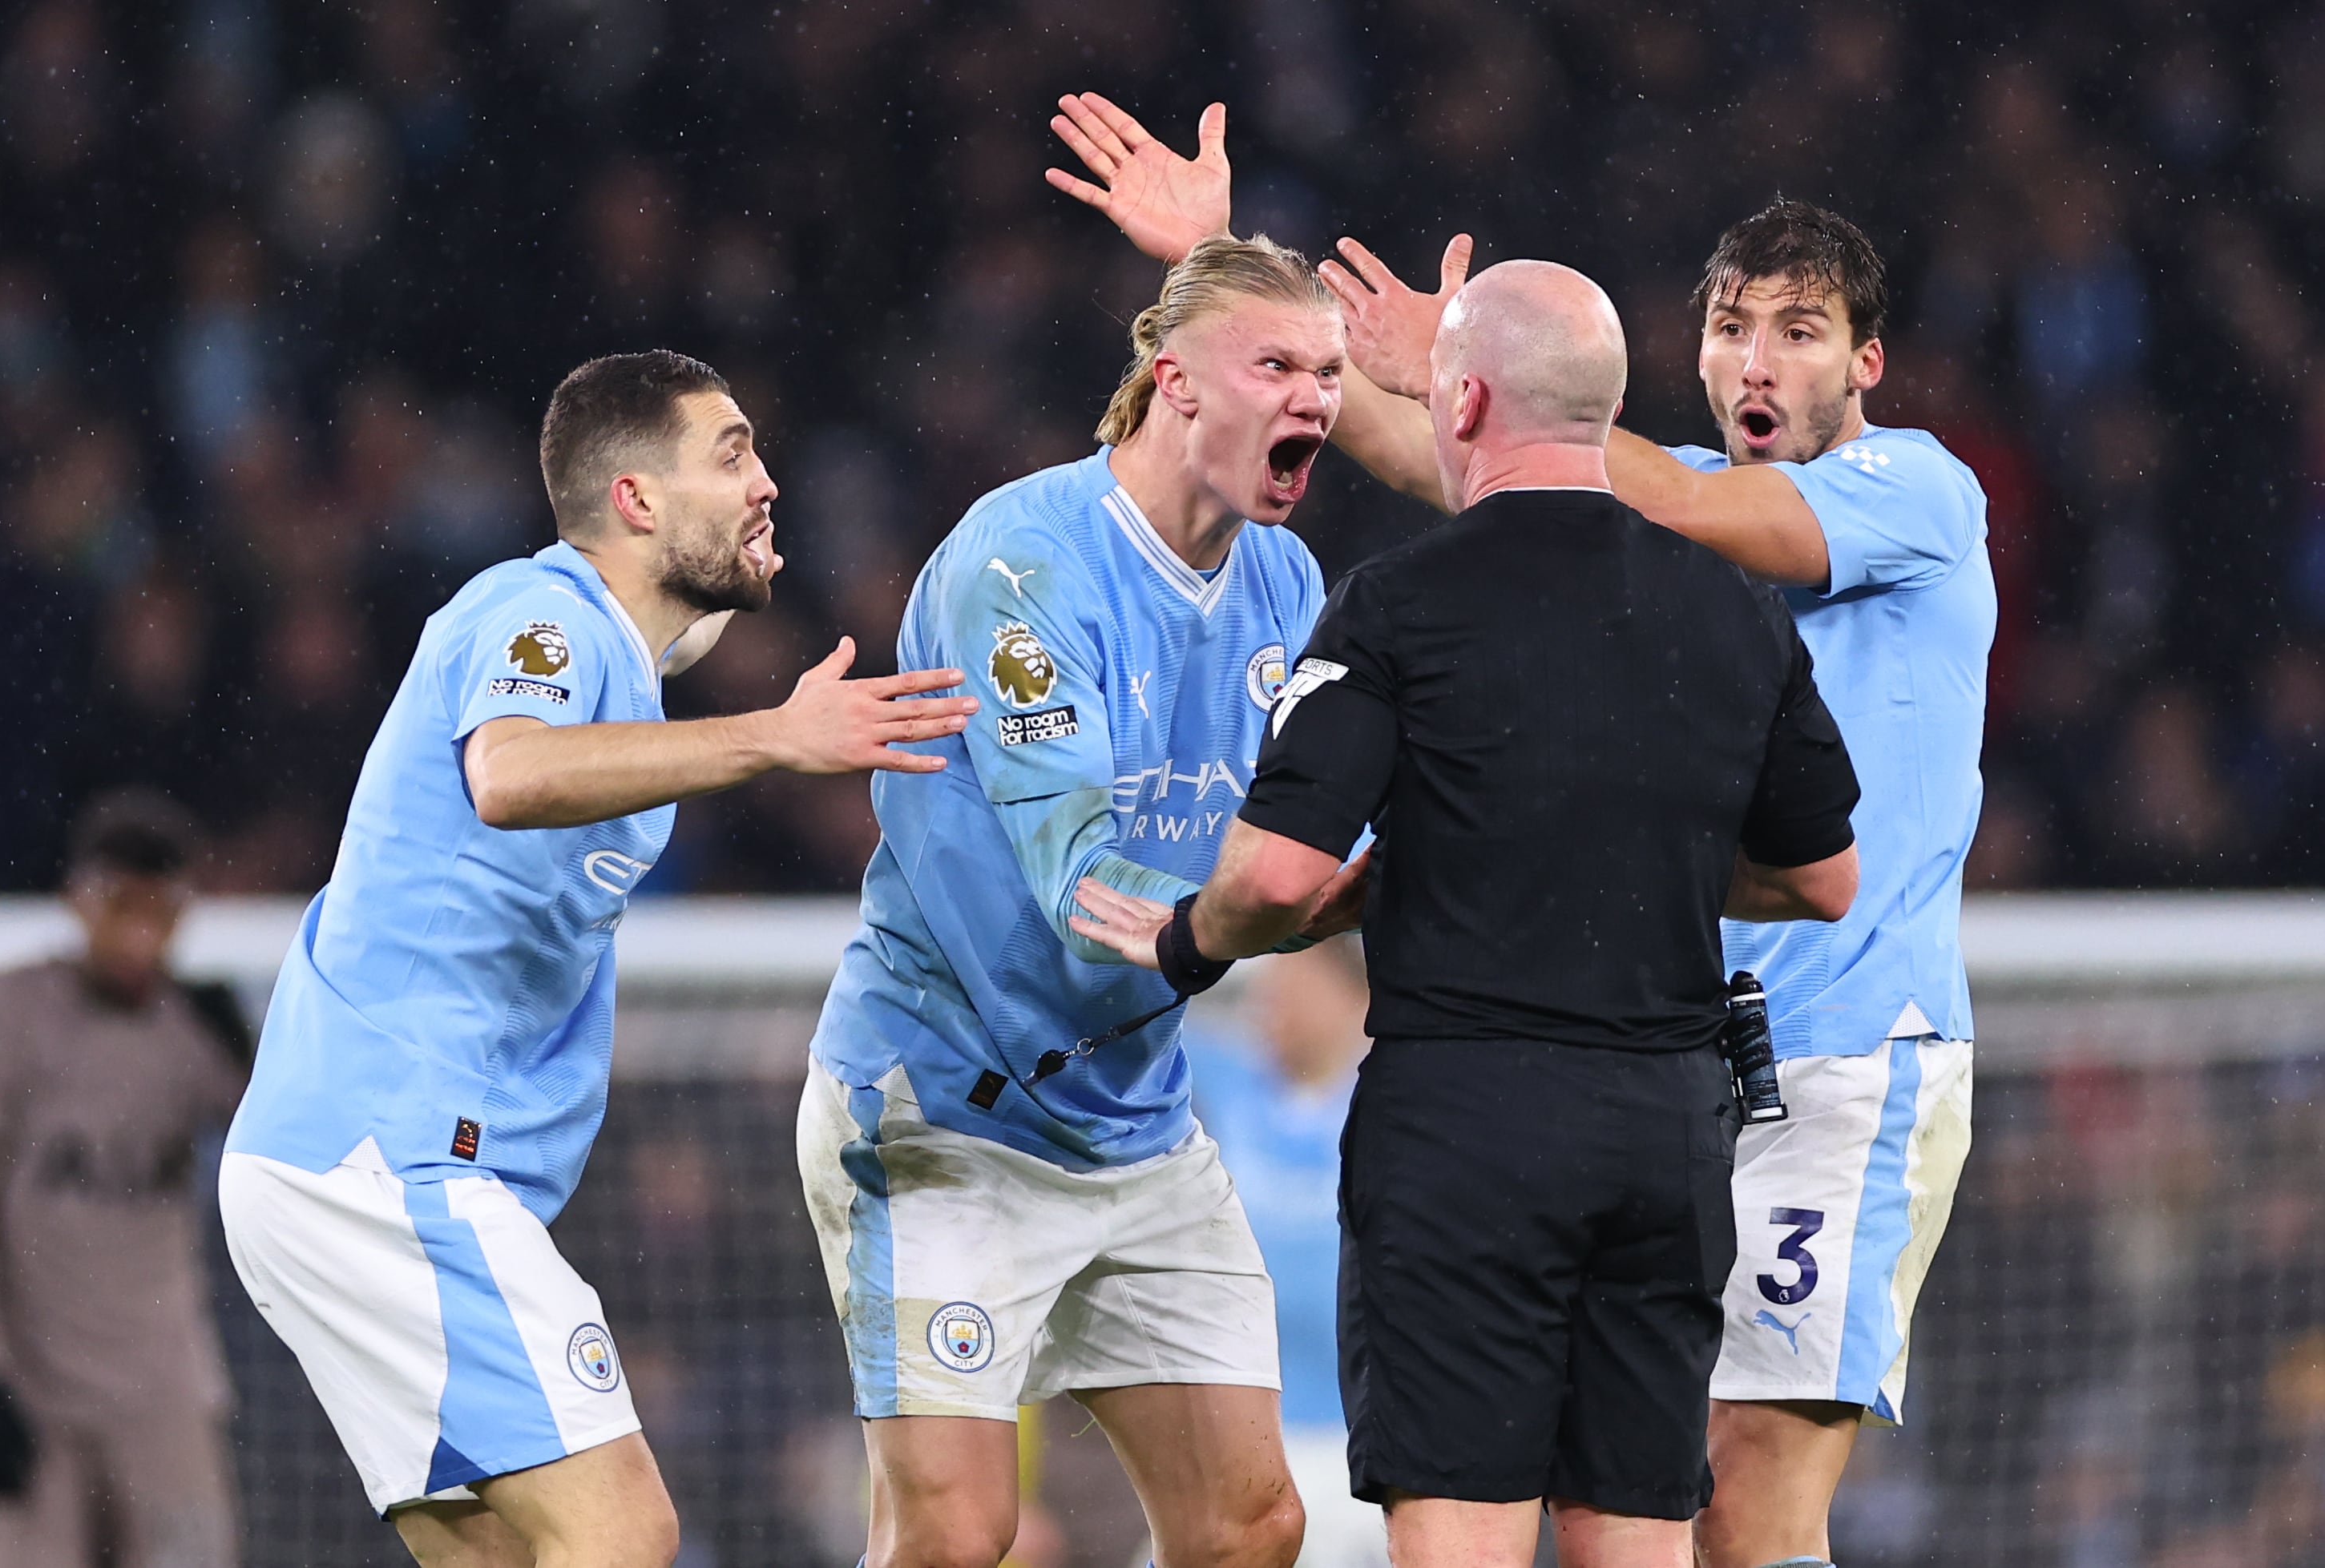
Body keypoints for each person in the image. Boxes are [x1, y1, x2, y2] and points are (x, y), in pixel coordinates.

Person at [1051, 99, 1992, 1568]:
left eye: (1803, 331)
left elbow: (1599, 477)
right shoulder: (1659, 519)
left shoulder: (1919, 493)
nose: (1760, 358)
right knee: (1652, 1503)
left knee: (1748, 1503)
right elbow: (1493, 481)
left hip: (1847, 1052)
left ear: (1868, 362)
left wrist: (1486, 380)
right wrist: (1243, 277)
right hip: (1688, 1059)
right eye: (1735, 325)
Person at [217, 349, 979, 1568]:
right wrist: (779, 738)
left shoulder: (616, 656)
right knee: (623, 1531)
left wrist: (733, 620)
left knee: (502, 1555)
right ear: (632, 498)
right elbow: (510, 772)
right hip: (394, 1158)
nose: (765, 482)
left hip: (337, 1163)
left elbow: (645, 673)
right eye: (730, 455)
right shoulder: (544, 614)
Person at [798, 232, 1365, 1568]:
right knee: (959, 1532)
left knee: (1248, 1524)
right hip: (943, 1106)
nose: (1316, 398)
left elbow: (1314, 834)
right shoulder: (1027, 566)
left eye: (1329, 371)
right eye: (1275, 362)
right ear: (1174, 383)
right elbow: (1091, 887)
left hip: (1136, 1122)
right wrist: (1325, 899)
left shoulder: (1286, 584)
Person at [0, 790, 248, 1568]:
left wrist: (258, 1067)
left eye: (160, 911)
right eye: (122, 906)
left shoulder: (195, 1030)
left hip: (162, 1392)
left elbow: (298, 1162)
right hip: (31, 1393)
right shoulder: (3, 1016)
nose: (139, 935)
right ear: (77, 901)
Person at [1187, 944, 1389, 1568]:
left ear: (1353, 991)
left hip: (1369, 1439)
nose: (1270, 1001)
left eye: (1293, 980)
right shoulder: (1228, 1079)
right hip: (1250, 1438)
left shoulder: (1403, 1098)